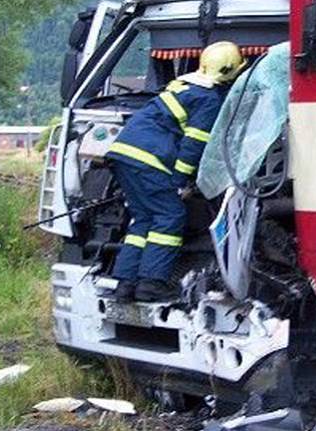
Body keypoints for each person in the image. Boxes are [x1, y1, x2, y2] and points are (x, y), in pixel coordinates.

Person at [105, 41, 247, 302]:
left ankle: (125, 285)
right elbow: (193, 144)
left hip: (124, 155)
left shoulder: (184, 85)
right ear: (231, 73)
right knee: (170, 216)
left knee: (144, 219)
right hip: (150, 160)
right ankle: (151, 284)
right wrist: (181, 181)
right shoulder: (209, 99)